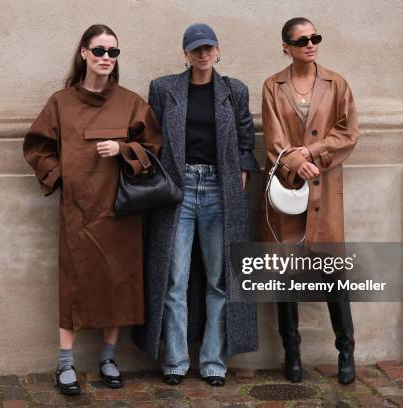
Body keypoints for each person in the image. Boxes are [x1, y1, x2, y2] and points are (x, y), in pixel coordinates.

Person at [23, 24, 161, 395]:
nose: (106, 58)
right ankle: (65, 364)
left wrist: (123, 150)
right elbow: (38, 147)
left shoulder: (131, 102)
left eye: (113, 52)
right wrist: (62, 177)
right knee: (74, 284)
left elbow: (153, 148)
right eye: (99, 50)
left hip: (121, 212)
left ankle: (109, 358)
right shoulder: (61, 103)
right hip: (78, 212)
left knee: (118, 283)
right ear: (83, 52)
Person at [134, 23, 260, 387]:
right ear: (186, 54)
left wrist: (243, 172)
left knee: (220, 280)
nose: (203, 54)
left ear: (217, 51)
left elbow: (246, 137)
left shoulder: (234, 91)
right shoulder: (164, 88)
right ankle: (174, 360)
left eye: (208, 48)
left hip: (220, 190)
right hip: (179, 189)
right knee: (174, 278)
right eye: (196, 49)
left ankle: (213, 362)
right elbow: (153, 137)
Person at [260, 17, 360, 384]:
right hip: (288, 192)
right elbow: (273, 138)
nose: (310, 44)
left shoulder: (337, 83)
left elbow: (348, 131)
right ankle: (292, 354)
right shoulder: (273, 86)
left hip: (324, 191)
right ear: (286, 45)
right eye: (302, 40)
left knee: (334, 273)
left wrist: (314, 153)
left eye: (315, 37)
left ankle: (346, 351)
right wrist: (295, 162)